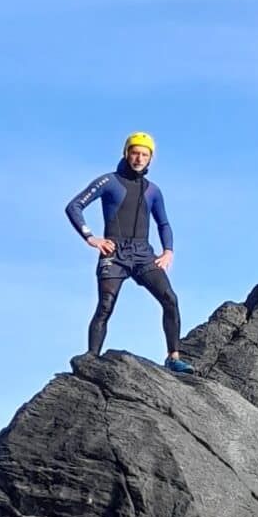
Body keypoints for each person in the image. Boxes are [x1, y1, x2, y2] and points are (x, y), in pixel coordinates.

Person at [66, 133, 193, 375]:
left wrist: (168, 251)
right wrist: (91, 237)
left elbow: (163, 223)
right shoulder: (108, 181)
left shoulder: (152, 190)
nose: (139, 158)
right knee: (105, 305)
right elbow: (74, 206)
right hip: (114, 252)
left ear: (150, 159)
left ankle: (173, 357)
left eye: (145, 155)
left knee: (170, 299)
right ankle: (92, 357)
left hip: (143, 254)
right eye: (135, 153)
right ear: (126, 153)